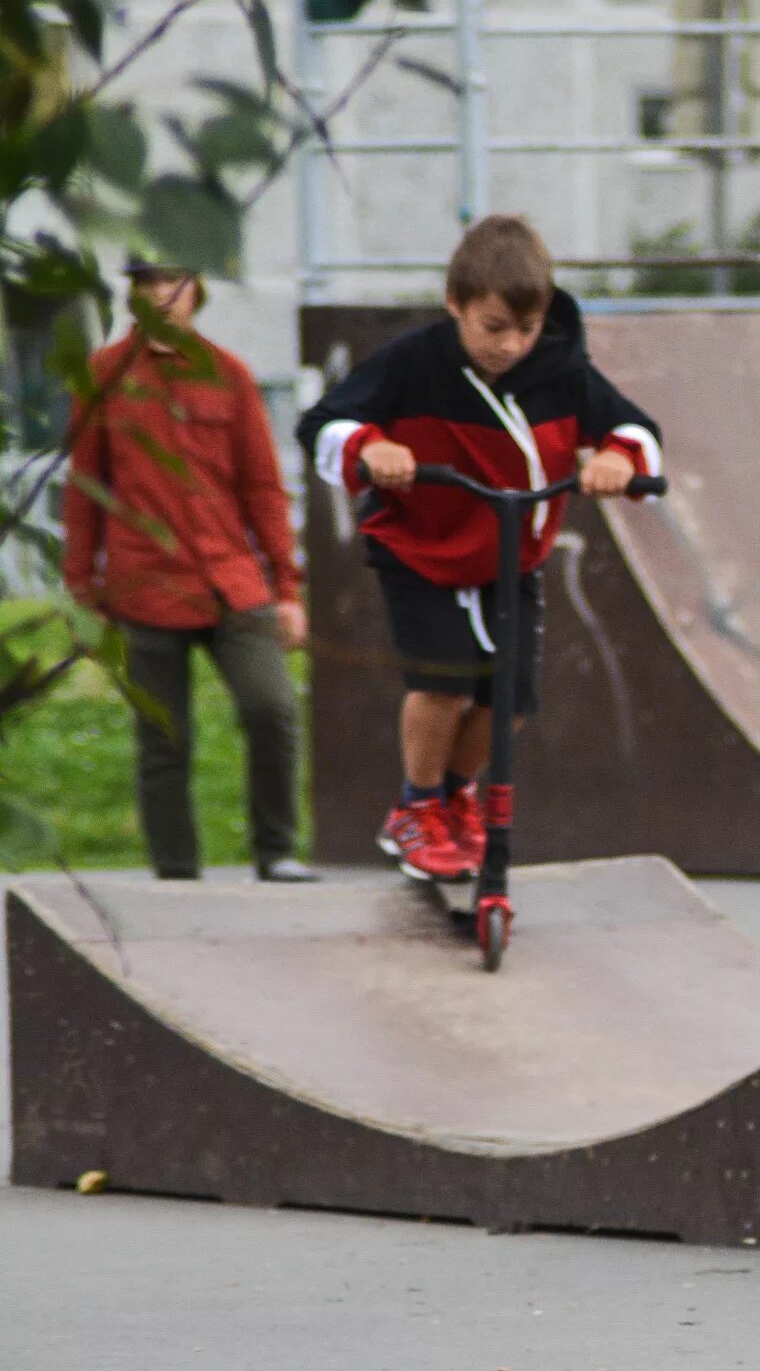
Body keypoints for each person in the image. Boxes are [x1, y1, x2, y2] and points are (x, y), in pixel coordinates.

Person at [296, 216, 663, 884]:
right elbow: (323, 421)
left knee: (510, 702)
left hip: (510, 556)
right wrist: (371, 447)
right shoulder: (412, 362)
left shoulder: (560, 368)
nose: (511, 346)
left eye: (526, 330)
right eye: (493, 327)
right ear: (455, 304)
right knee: (443, 680)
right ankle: (415, 806)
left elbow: (634, 427)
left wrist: (617, 457)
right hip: (421, 548)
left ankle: (455, 795)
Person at [61, 260, 314, 883]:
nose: (164, 298)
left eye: (176, 285)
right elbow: (85, 486)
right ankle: (177, 872)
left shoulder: (229, 374)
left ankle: (276, 850)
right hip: (142, 584)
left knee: (271, 708)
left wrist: (286, 588)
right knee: (163, 739)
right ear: (134, 296)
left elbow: (262, 487)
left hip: (230, 580)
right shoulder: (102, 376)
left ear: (196, 293)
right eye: (150, 284)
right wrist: (81, 585)